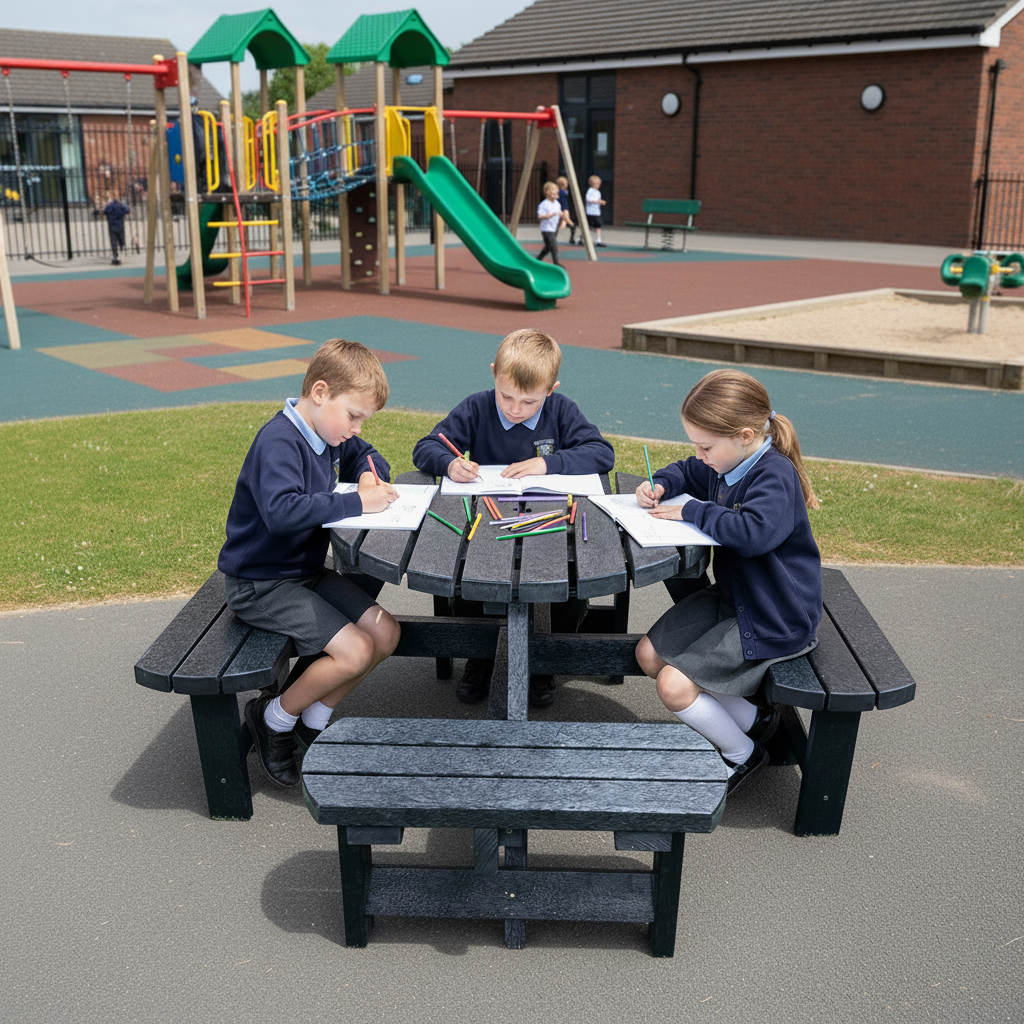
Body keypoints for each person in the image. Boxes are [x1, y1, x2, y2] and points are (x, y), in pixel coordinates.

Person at [218, 339, 402, 787]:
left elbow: (368, 455)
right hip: (260, 583)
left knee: (385, 632)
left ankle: (312, 721)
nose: (356, 429)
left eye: (363, 420)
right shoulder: (279, 442)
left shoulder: (328, 433)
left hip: (303, 573)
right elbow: (282, 513)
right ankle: (274, 718)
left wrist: (364, 470)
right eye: (353, 416)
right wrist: (359, 502)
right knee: (355, 649)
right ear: (320, 392)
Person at [634, 369, 822, 794]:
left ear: (744, 434)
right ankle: (756, 720)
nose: (699, 455)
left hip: (773, 615)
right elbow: (687, 471)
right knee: (648, 656)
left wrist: (692, 512)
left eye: (705, 445)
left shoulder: (774, 475)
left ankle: (743, 754)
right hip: (736, 598)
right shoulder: (727, 462)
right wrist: (661, 483)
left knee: (673, 686)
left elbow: (753, 534)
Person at [413, 328, 615, 707]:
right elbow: (426, 447)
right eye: (506, 396)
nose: (514, 408)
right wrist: (450, 462)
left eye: (529, 401)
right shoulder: (476, 407)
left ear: (551, 389)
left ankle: (544, 661)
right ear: (493, 373)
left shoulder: (562, 410)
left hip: (550, 525)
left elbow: (602, 454)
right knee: (467, 576)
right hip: (486, 524)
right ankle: (480, 658)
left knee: (571, 581)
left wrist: (547, 463)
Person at [536, 181, 570, 265]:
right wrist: (546, 216)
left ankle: (538, 259)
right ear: (547, 192)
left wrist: (563, 217)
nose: (556, 192)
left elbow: (559, 212)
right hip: (546, 229)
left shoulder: (557, 204)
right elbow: (539, 216)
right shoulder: (544, 204)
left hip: (554, 228)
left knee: (548, 247)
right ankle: (556, 262)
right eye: (553, 190)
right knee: (554, 246)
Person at [102, 195, 130, 265]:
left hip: (112, 225)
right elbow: (127, 210)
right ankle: (121, 251)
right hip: (120, 224)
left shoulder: (109, 206)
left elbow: (105, 212)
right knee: (121, 238)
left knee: (113, 240)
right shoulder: (122, 205)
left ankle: (115, 255)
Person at [585, 175, 606, 247]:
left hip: (597, 212)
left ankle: (598, 240)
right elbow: (588, 199)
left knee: (598, 225)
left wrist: (601, 202)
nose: (598, 186)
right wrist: (597, 202)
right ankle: (583, 238)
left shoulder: (598, 192)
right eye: (596, 184)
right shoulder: (590, 191)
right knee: (589, 226)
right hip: (590, 212)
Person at [557, 175, 577, 245]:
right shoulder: (562, 192)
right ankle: (571, 235)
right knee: (567, 221)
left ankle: (571, 235)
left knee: (562, 221)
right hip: (564, 208)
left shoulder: (559, 192)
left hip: (561, 208)